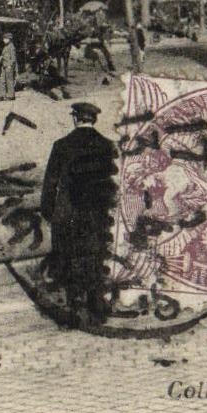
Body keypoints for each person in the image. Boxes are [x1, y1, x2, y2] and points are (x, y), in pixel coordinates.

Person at [40, 99, 118, 323]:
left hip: (68, 211)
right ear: (94, 120)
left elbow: (50, 183)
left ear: (75, 119)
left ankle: (74, 305)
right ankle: (96, 305)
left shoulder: (62, 145)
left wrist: (49, 211)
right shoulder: (106, 145)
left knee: (69, 256)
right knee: (94, 255)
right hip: (96, 212)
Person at [0, 31, 19, 100]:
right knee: (2, 80)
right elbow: (2, 55)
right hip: (4, 65)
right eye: (4, 38)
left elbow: (13, 58)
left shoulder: (11, 47)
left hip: (9, 66)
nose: (4, 40)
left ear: (9, 39)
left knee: (9, 81)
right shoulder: (5, 47)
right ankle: (2, 95)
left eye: (5, 39)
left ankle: (11, 95)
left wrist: (10, 65)